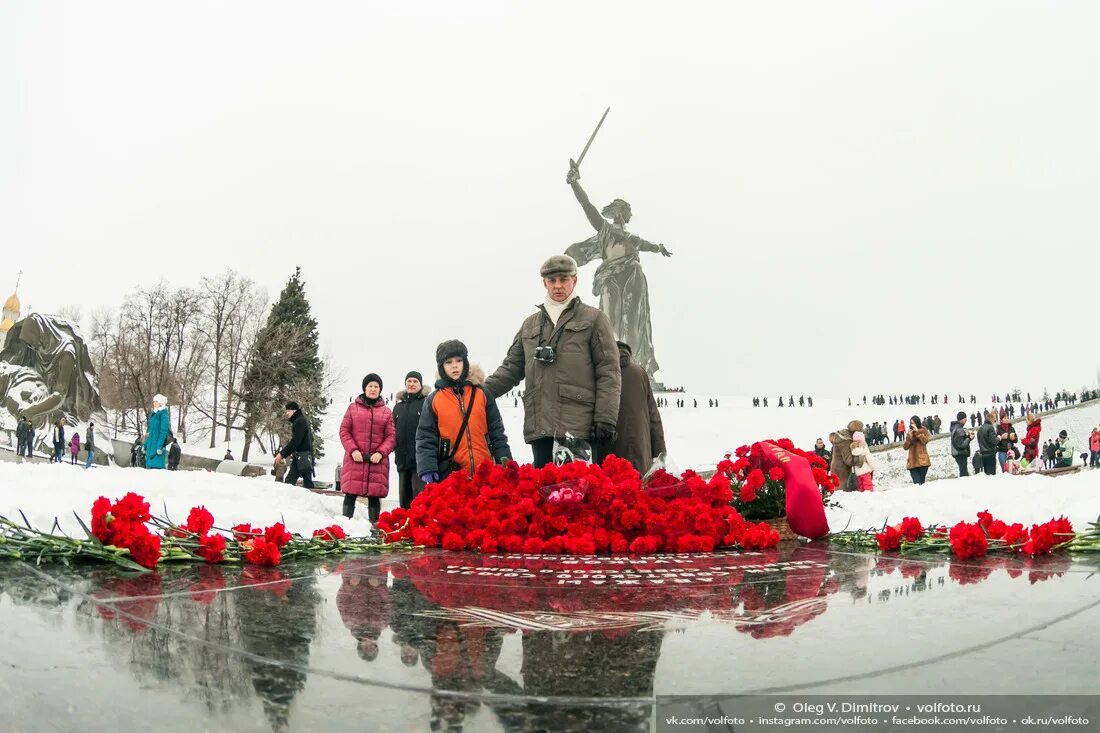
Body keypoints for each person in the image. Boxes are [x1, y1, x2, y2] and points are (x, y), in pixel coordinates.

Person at [483, 255, 621, 469]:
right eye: (552, 280)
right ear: (544, 283)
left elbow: (609, 372)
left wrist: (605, 419)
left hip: (577, 427)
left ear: (574, 281)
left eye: (563, 279)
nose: (558, 286)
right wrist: (476, 394)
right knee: (544, 495)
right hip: (540, 428)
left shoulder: (594, 320)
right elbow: (510, 370)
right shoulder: (529, 325)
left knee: (576, 495)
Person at [564, 159, 671, 377]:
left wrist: (659, 247)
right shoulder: (605, 230)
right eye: (629, 212)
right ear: (621, 212)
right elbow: (587, 206)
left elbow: (646, 245)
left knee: (633, 323)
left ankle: (635, 367)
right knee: (608, 323)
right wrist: (575, 183)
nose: (631, 216)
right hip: (610, 277)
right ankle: (608, 366)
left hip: (632, 276)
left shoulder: (631, 237)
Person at [417, 341, 511, 485]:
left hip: (485, 473)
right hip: (452, 476)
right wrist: (427, 467)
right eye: (448, 362)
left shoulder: (481, 394)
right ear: (441, 366)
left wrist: (505, 462)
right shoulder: (434, 400)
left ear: (465, 362)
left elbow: (496, 432)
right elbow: (425, 437)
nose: (455, 365)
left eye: (459, 360)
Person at [339, 374, 396, 524]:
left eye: (376, 386)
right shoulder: (352, 408)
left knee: (374, 496)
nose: (373, 389)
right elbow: (344, 431)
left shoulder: (386, 412)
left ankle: (374, 527)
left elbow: (391, 437)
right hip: (355, 460)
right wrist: (353, 450)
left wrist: (380, 453)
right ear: (364, 388)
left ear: (380, 390)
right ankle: (346, 526)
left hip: (376, 462)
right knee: (350, 494)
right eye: (370, 386)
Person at [604, 341, 665, 475]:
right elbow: (654, 416)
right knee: (638, 492)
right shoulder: (640, 372)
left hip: (610, 452)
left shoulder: (603, 373)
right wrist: (660, 452)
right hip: (641, 450)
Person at [393, 371, 429, 510]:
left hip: (420, 461)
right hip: (402, 460)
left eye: (415, 381)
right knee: (404, 501)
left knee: (419, 500)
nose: (412, 384)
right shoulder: (398, 407)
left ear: (420, 384)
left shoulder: (426, 403)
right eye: (409, 381)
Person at [274, 400, 315, 489]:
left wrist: (282, 454)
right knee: (307, 484)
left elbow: (295, 441)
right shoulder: (302, 420)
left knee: (289, 482)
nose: (286, 413)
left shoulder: (299, 422)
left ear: (293, 410)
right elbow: (311, 438)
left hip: (301, 456)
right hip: (305, 456)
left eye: (288, 411)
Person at [828, 420, 862, 490]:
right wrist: (863, 459)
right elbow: (849, 460)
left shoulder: (843, 438)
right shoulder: (845, 441)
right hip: (841, 472)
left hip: (839, 470)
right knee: (843, 494)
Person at [143, 394, 171, 470]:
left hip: (157, 450)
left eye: (156, 401)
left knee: (156, 474)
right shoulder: (154, 414)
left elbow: (163, 432)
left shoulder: (163, 415)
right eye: (154, 401)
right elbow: (150, 433)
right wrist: (145, 445)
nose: (154, 403)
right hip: (150, 448)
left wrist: (159, 446)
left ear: (161, 403)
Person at [902, 416, 931, 485]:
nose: (912, 425)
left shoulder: (923, 430)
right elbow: (905, 447)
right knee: (917, 484)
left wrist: (917, 432)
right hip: (912, 463)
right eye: (911, 423)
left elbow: (925, 441)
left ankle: (923, 495)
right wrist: (909, 437)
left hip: (922, 461)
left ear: (917, 422)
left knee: (922, 483)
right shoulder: (910, 432)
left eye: (913, 423)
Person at [949, 412, 974, 477]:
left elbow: (960, 441)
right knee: (964, 473)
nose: (966, 420)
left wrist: (967, 436)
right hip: (960, 453)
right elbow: (961, 445)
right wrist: (969, 438)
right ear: (962, 419)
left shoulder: (956, 428)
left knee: (963, 471)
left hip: (958, 453)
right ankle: (964, 486)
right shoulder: (959, 429)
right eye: (965, 418)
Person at [976, 411, 999, 476]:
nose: (994, 422)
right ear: (991, 419)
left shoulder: (980, 428)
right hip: (990, 454)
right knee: (992, 474)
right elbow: (993, 441)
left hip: (983, 454)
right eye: (994, 420)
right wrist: (999, 438)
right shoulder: (990, 427)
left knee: (986, 474)